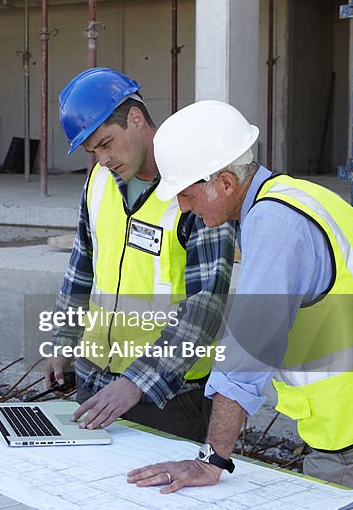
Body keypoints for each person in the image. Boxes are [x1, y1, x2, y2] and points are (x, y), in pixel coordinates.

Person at [127, 100, 353, 501]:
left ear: (226, 183)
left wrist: (211, 460)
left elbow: (246, 355)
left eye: (186, 194)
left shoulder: (274, 225)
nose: (183, 207)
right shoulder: (299, 194)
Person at [45, 68, 236, 445]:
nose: (101, 159)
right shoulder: (98, 183)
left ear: (135, 119)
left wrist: (137, 381)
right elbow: (81, 271)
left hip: (167, 396)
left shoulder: (196, 185)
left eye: (106, 143)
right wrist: (63, 340)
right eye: (92, 151)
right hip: (95, 382)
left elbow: (206, 305)